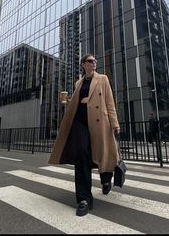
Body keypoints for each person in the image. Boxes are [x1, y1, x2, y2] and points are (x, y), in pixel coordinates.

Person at [48, 54, 120, 217]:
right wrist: (69, 101)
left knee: (104, 153)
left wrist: (114, 123)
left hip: (99, 122)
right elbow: (77, 101)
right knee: (81, 154)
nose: (94, 63)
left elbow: (109, 101)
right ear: (83, 65)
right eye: (90, 61)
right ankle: (84, 199)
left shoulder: (102, 79)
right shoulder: (78, 83)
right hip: (80, 122)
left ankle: (106, 179)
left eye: (95, 61)